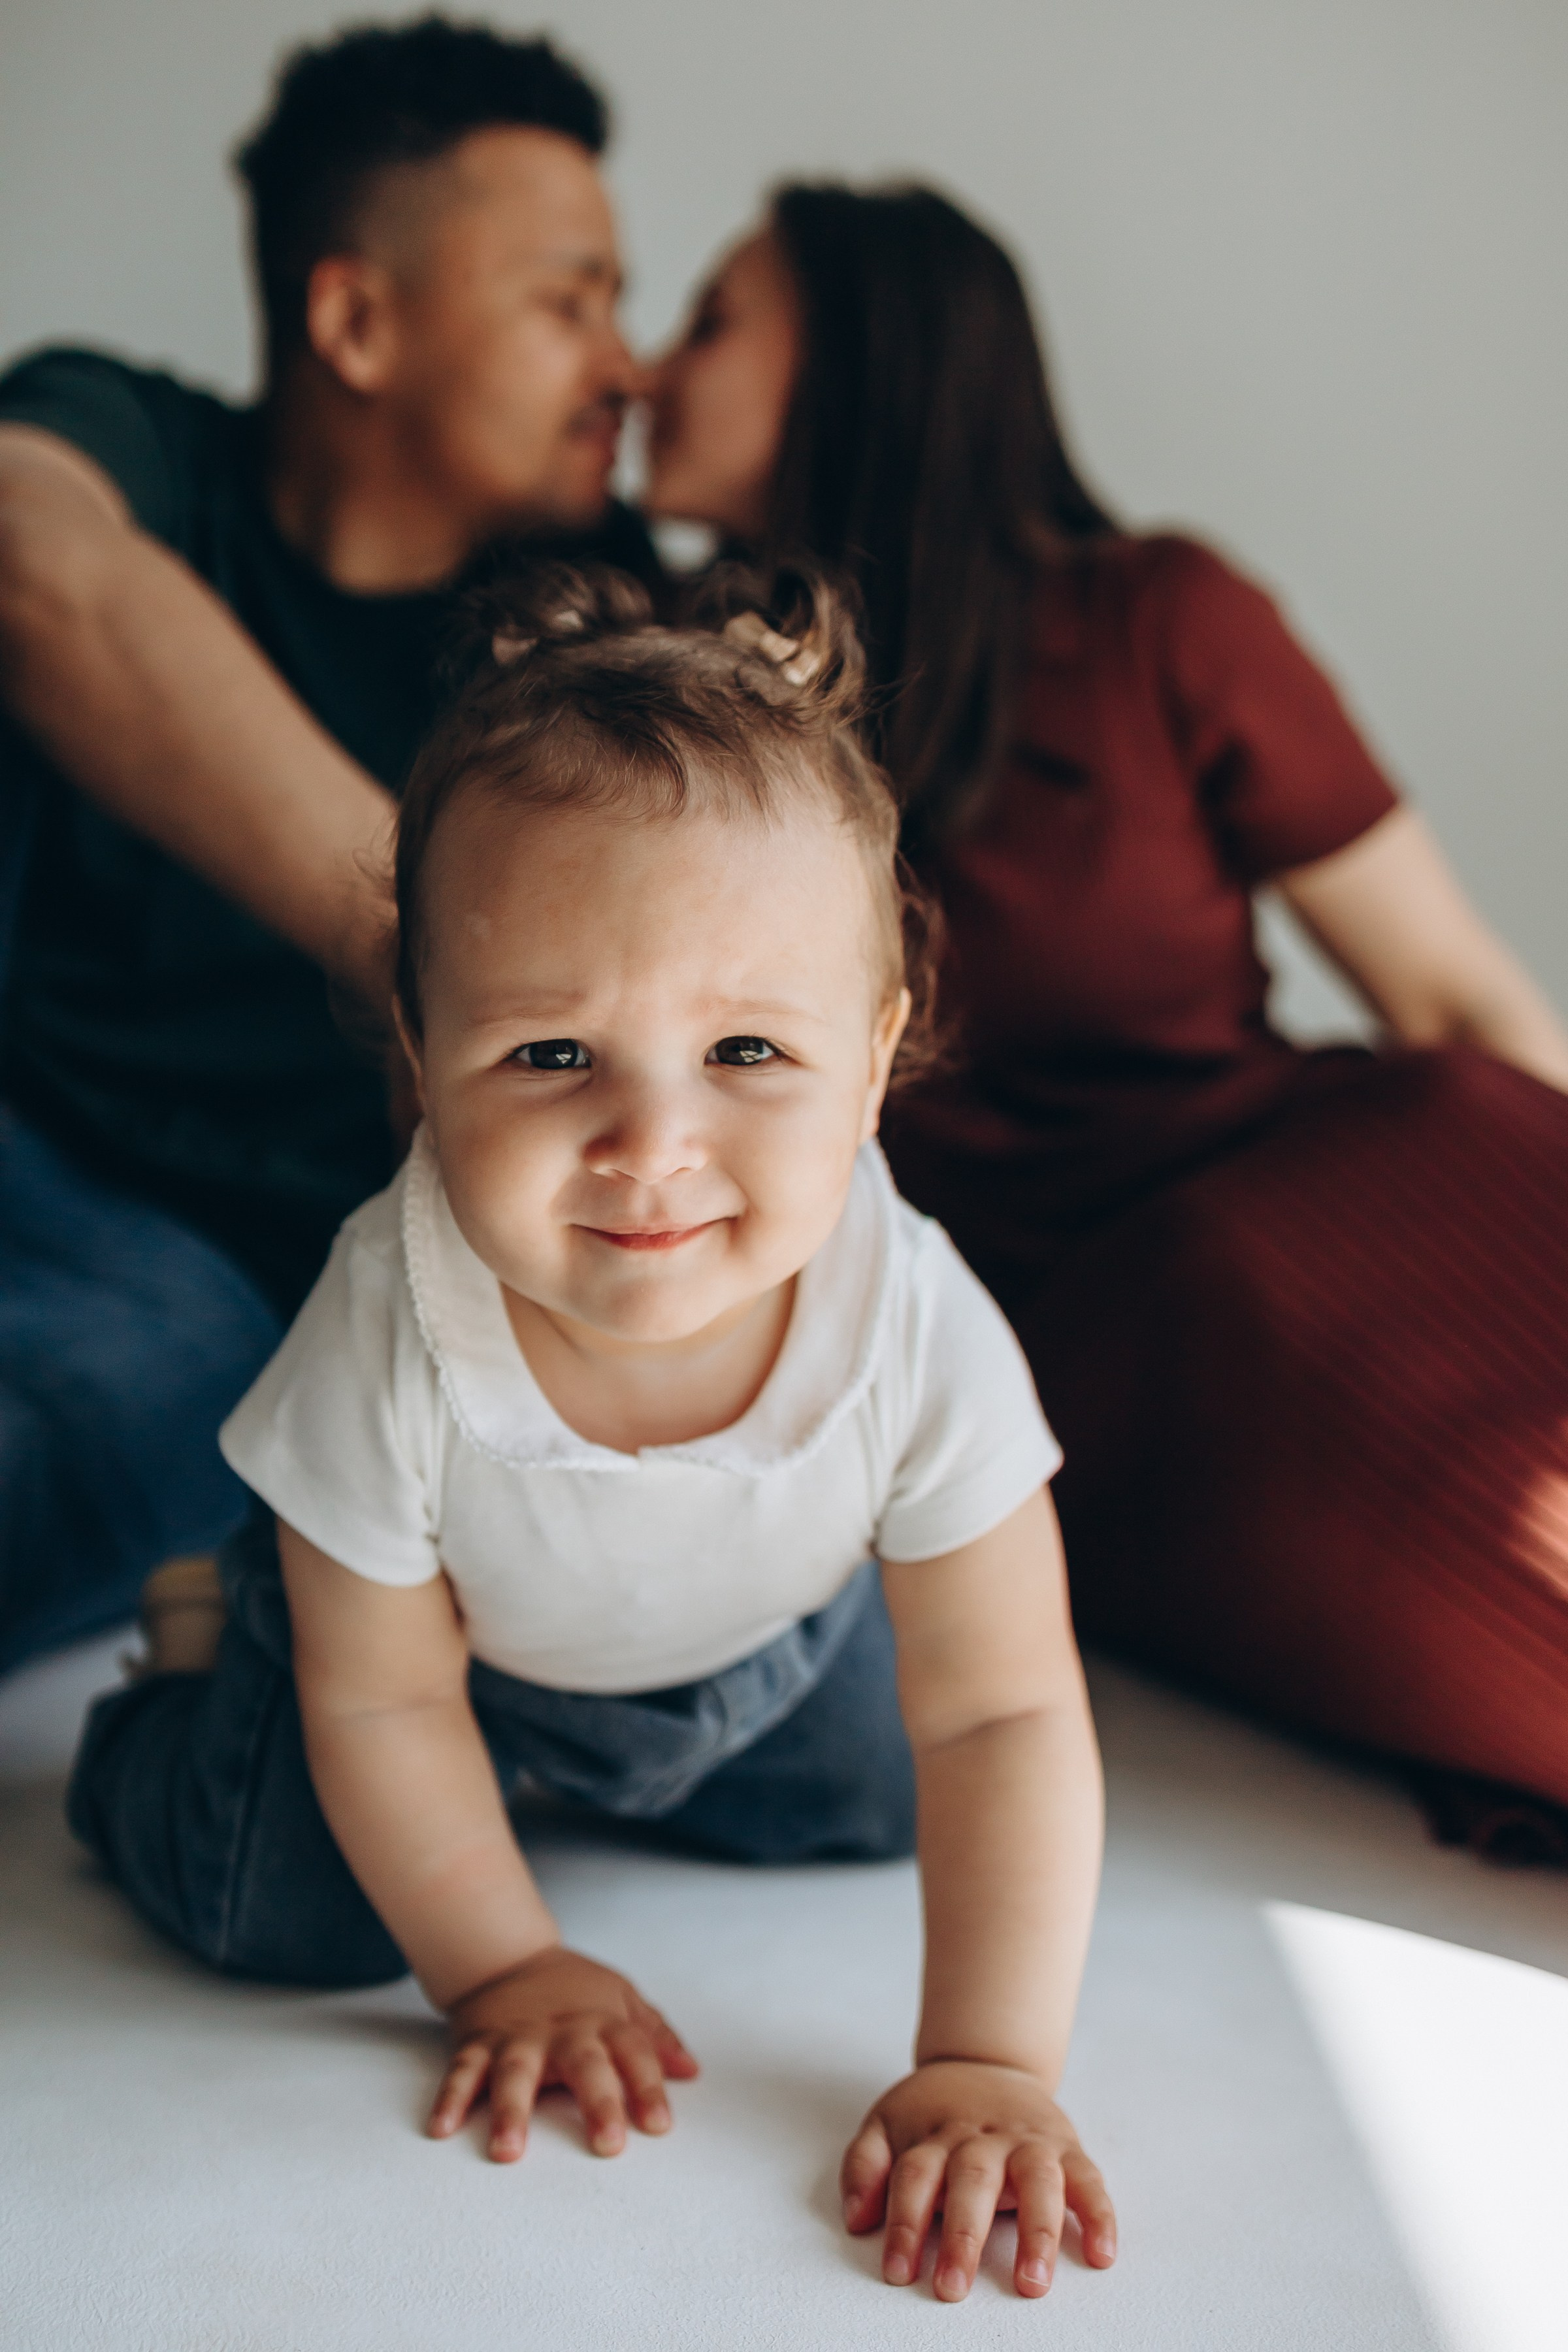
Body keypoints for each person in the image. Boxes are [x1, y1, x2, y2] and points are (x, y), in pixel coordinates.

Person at [68, 569, 1118, 2304]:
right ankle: (176, 1695)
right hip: (430, 1658)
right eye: (553, 1051)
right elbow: (386, 1700)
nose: (651, 1143)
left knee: (874, 1792)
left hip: (742, 1637)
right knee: (284, 1908)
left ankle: (577, 1779)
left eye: (746, 1051)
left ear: (874, 1062)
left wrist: (992, 2059)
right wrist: (504, 1969)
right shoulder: (393, 1316)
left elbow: (1004, 1701)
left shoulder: (911, 1320)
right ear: (419, 1053)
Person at [642, 182, 1568, 1838]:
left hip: (1372, 1161)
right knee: (1512, 1558)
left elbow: (1450, 991)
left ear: (860, 356)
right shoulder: (673, 720)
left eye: (708, 322)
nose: (649, 370)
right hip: (1130, 1328)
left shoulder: (1161, 615)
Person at [0, 18, 657, 1674]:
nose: (624, 363)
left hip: (254, 1272)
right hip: (31, 1142)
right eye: (568, 299)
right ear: (357, 321)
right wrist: (411, 940)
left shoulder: (617, 611)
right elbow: (26, 549)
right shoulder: (128, 439)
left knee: (169, 1410)